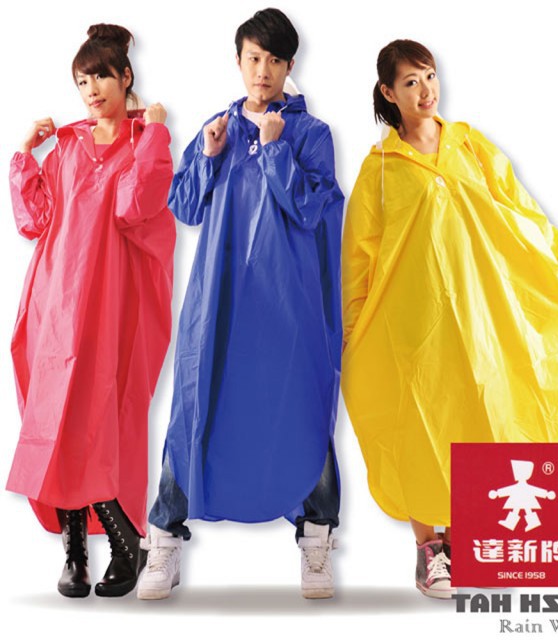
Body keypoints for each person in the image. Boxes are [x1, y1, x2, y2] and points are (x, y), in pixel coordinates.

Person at [341, 39, 558, 599]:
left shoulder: (470, 145)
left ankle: (467, 536)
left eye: (430, 76)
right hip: (412, 327)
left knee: (475, 417)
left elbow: (520, 208)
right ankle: (429, 548)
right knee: (416, 425)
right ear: (388, 93)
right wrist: (354, 331)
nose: (426, 90)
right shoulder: (380, 170)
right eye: (410, 82)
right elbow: (358, 257)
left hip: (477, 315)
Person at [136, 8, 343, 601]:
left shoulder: (311, 134)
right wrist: (206, 155)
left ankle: (317, 539)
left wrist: (275, 151)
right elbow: (185, 208)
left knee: (303, 410)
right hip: (220, 301)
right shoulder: (219, 129)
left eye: (274, 60)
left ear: (289, 65)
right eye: (254, 58)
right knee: (194, 410)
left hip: (288, 305)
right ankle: (163, 539)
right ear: (238, 60)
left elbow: (312, 211)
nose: (263, 71)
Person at [6, 24, 176, 598]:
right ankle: (76, 551)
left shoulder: (144, 141)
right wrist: (25, 153)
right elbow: (34, 220)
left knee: (102, 421)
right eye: (82, 81)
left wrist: (155, 134)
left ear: (126, 77)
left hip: (113, 304)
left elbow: (135, 206)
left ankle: (127, 545)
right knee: (59, 420)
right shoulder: (67, 147)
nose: (92, 90)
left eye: (101, 76)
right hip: (58, 301)